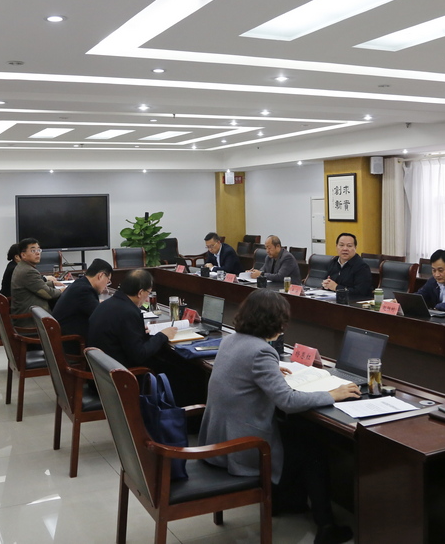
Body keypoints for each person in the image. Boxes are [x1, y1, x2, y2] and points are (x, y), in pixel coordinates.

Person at [199, 290, 359, 544]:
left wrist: (272, 370)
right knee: (312, 449)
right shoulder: (261, 352)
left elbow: (247, 373)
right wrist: (332, 394)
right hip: (242, 448)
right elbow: (288, 401)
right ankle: (326, 527)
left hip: (218, 437)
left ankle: (286, 500)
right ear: (273, 322)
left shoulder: (231, 340)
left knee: (293, 433)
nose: (284, 327)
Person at [87, 269, 175, 367]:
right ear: (140, 293)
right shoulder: (128, 312)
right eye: (148, 292)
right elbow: (140, 355)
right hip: (118, 370)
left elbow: (121, 333)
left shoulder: (107, 303)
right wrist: (162, 335)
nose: (147, 298)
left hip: (100, 367)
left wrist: (137, 331)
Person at [51, 258, 112, 341]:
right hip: (71, 342)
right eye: (108, 281)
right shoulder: (84, 290)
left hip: (63, 337)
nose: (106, 286)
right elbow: (101, 316)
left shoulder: (79, 284)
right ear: (100, 275)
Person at [10, 237, 61, 322]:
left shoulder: (22, 266)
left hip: (29, 314)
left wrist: (52, 284)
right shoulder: (28, 271)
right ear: (23, 255)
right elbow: (48, 294)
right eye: (33, 250)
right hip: (30, 320)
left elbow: (36, 286)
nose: (37, 253)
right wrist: (62, 290)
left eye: (39, 250)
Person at [321, 233, 373, 300]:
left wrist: (336, 288)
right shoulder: (333, 262)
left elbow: (360, 293)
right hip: (334, 299)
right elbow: (328, 281)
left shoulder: (362, 267)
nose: (345, 249)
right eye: (341, 245)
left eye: (349, 246)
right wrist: (326, 284)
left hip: (353, 303)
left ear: (355, 248)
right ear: (336, 246)